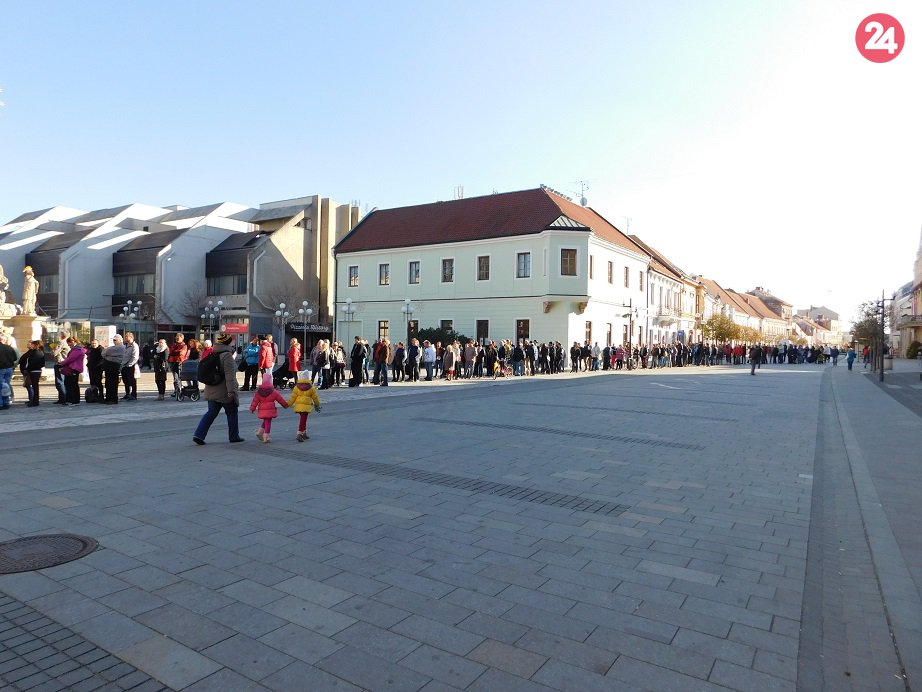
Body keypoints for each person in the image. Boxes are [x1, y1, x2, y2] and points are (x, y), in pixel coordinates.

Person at [193, 333, 244, 445]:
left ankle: (199, 434)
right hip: (224, 391)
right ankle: (234, 436)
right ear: (228, 343)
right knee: (232, 413)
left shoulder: (212, 353)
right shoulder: (227, 356)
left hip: (211, 389)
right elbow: (230, 376)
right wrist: (231, 391)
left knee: (211, 413)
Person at [249, 372, 288, 443]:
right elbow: (280, 399)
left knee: (266, 420)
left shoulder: (259, 392)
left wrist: (252, 408)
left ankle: (260, 432)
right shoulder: (273, 391)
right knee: (268, 422)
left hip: (262, 410)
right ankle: (266, 436)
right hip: (270, 410)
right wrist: (285, 405)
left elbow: (255, 401)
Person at [287, 371, 321, 441]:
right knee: (303, 420)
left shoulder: (297, 387)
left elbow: (293, 397)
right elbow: (315, 398)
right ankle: (299, 433)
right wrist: (317, 404)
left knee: (303, 419)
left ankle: (304, 433)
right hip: (306, 407)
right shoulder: (311, 387)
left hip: (299, 407)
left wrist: (288, 404)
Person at [59, 337, 86, 405]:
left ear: (73, 342)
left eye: (69, 343)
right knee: (72, 384)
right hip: (75, 368)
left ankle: (73, 400)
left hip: (73, 368)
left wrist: (62, 363)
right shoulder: (77, 349)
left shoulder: (77, 350)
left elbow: (70, 359)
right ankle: (73, 400)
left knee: (71, 385)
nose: (68, 345)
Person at [19, 340, 45, 406]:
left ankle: (35, 401)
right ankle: (35, 401)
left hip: (34, 371)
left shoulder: (36, 352)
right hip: (36, 370)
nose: (31, 345)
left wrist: (27, 369)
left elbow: (31, 362)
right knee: (35, 386)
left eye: (33, 344)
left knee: (34, 386)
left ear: (36, 345)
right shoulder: (39, 352)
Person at [102, 335, 125, 404]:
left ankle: (112, 399)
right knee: (108, 383)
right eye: (113, 340)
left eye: (115, 340)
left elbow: (104, 352)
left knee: (112, 383)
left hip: (114, 366)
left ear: (120, 340)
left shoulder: (120, 347)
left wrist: (108, 355)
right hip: (110, 366)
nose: (114, 341)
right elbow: (103, 353)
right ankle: (109, 398)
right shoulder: (113, 348)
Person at [121, 331, 140, 400]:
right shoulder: (125, 346)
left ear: (131, 337)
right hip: (123, 365)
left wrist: (129, 364)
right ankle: (127, 393)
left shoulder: (134, 346)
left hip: (130, 366)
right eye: (125, 337)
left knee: (131, 380)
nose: (125, 338)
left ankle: (133, 394)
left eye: (127, 337)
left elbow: (135, 357)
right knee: (125, 380)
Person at [52, 331, 70, 405]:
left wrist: (53, 348)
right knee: (61, 381)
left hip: (60, 363)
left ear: (62, 335)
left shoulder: (61, 342)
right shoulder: (66, 342)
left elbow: (55, 353)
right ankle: (61, 398)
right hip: (64, 363)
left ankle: (63, 399)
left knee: (59, 382)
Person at [0, 334, 17, 409]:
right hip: (9, 368)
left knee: (1, 386)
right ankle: (6, 402)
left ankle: (1, 403)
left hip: (1, 368)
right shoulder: (9, 348)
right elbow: (15, 358)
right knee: (6, 386)